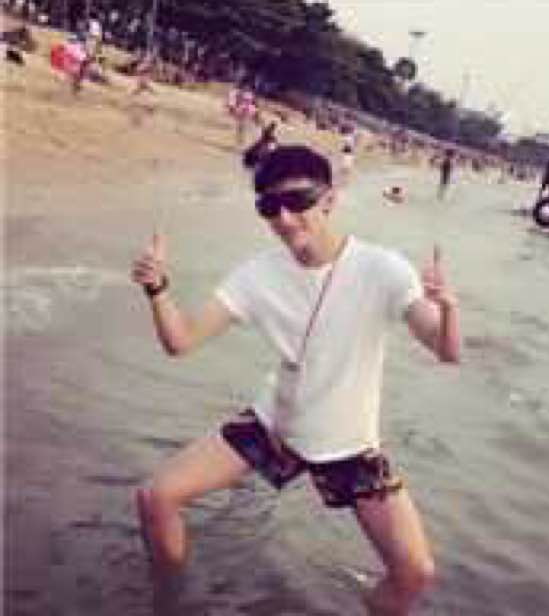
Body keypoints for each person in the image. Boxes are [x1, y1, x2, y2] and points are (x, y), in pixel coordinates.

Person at [131, 145, 461, 616]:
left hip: (349, 445)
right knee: (156, 497)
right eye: (269, 206)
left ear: (329, 200)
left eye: (297, 201)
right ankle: (170, 599)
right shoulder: (257, 275)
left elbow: (446, 351)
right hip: (276, 428)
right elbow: (180, 342)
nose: (284, 218)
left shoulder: (382, 269)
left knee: (414, 573)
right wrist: (157, 290)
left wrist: (449, 309)